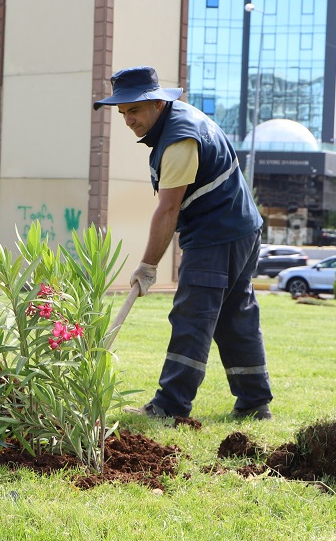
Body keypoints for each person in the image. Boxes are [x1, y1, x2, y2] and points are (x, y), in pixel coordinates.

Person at [93, 66, 273, 420]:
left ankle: (170, 406)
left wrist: (147, 266)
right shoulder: (182, 121)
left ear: (158, 103)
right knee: (235, 316)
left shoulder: (178, 140)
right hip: (241, 230)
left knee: (193, 315)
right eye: (123, 112)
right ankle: (254, 403)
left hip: (216, 235)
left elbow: (168, 209)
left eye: (135, 110)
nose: (128, 120)